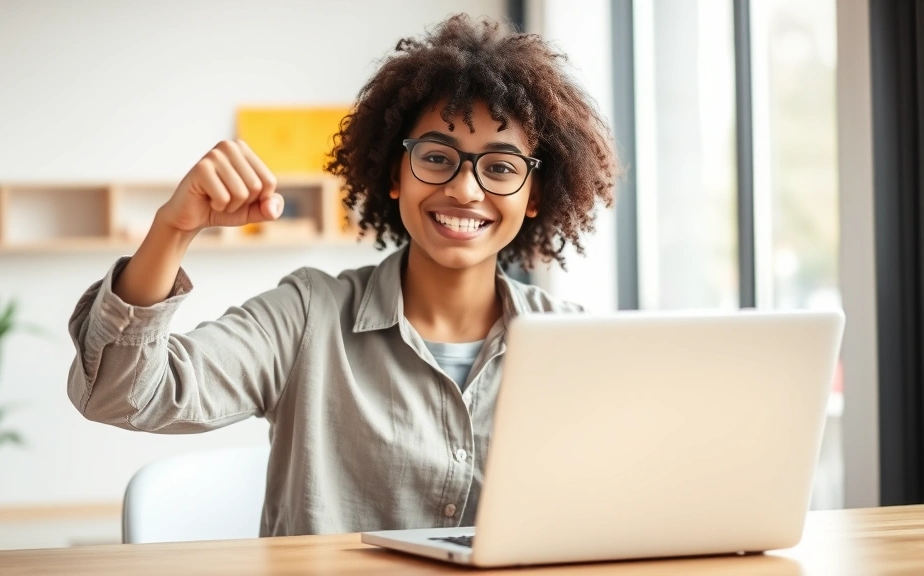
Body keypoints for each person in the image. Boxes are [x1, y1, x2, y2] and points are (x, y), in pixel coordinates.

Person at [66, 13, 617, 537]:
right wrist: (173, 229)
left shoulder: (574, 345)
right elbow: (120, 394)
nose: (464, 189)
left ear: (535, 194)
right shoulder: (308, 316)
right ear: (396, 174)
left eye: (500, 167)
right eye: (435, 157)